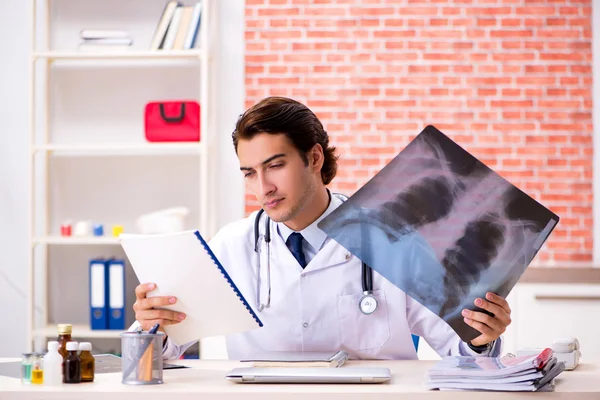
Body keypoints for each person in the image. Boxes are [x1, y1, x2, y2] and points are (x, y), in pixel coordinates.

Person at [131, 96, 512, 360]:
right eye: (250, 173)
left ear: (314, 157)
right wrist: (152, 326)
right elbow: (159, 352)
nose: (262, 187)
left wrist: (482, 334)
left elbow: (461, 350)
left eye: (275, 166)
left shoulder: (394, 237)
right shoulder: (232, 245)